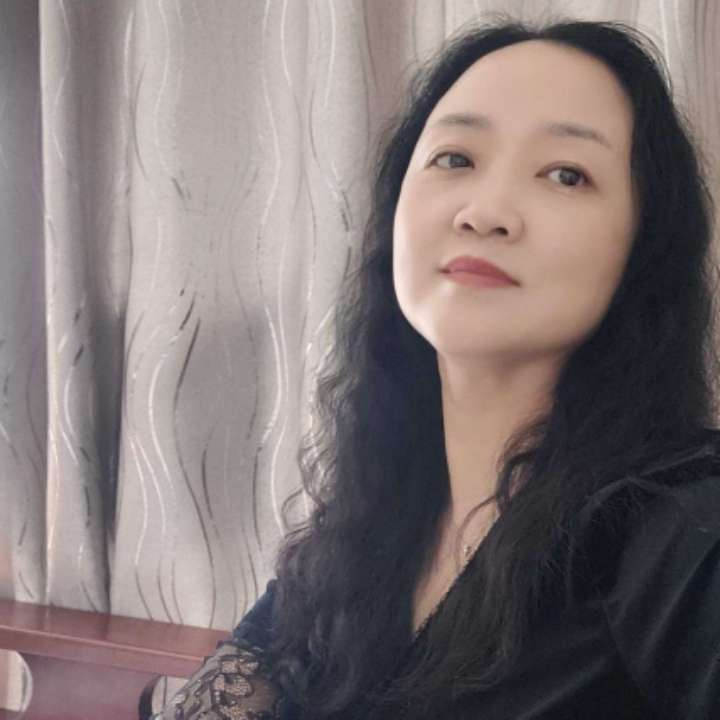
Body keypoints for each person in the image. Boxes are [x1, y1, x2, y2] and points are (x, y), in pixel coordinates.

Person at [153, 12, 720, 720]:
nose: (486, 212)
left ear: (643, 248)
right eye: (455, 159)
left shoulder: (685, 530)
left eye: (566, 174)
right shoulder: (363, 534)